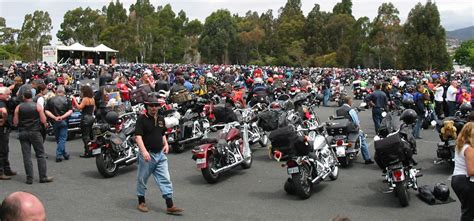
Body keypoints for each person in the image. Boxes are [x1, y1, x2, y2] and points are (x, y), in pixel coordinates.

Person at [134, 96, 183, 215]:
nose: (154, 108)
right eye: (151, 105)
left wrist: (165, 144)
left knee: (165, 179)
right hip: (148, 155)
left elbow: (162, 134)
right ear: (146, 106)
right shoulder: (142, 119)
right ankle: (141, 201)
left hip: (160, 155)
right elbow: (138, 137)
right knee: (142, 179)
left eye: (156, 105)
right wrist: (144, 151)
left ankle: (170, 205)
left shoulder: (161, 119)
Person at [13, 90, 53, 184]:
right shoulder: (37, 106)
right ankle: (43, 176)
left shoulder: (18, 107)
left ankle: (29, 178)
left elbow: (15, 122)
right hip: (35, 132)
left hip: (23, 132)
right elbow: (43, 120)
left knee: (26, 156)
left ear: (23, 97)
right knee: (40, 154)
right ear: (32, 96)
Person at [336, 97, 374, 164]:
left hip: (341, 130)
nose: (352, 102)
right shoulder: (350, 110)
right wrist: (359, 127)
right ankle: (367, 159)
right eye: (351, 101)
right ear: (349, 102)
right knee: (362, 140)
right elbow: (356, 121)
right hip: (351, 130)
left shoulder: (338, 110)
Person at [451, 122, 474, 221]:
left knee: (469, 209)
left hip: (457, 179)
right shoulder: (469, 149)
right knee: (468, 212)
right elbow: (471, 171)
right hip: (466, 181)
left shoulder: (460, 145)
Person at [45, 85, 73, 163]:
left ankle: (64, 154)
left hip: (54, 122)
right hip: (63, 121)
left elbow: (46, 111)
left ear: (57, 91)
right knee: (62, 139)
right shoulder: (67, 100)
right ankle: (59, 155)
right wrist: (62, 117)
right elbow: (70, 111)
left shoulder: (51, 100)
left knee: (58, 139)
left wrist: (54, 117)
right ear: (63, 92)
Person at [72, 85, 95, 158]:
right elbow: (94, 108)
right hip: (91, 117)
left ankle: (87, 152)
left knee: (85, 136)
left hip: (85, 118)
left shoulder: (85, 99)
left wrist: (74, 100)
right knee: (91, 135)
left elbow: (79, 107)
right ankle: (92, 150)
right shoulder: (92, 99)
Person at [0, 87, 16, 180]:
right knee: (3, 150)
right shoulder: (1, 103)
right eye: (7, 94)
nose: (8, 96)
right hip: (2, 129)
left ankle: (6, 169)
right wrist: (4, 120)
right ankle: (1, 171)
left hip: (4, 128)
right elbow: (4, 111)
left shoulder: (4, 102)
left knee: (5, 149)